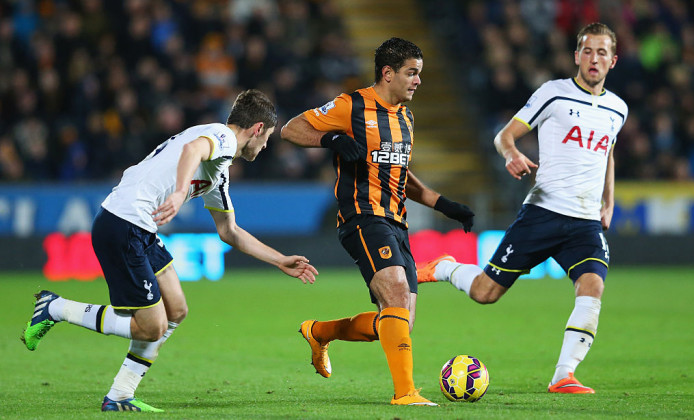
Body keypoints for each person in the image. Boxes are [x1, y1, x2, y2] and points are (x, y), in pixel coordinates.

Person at [22, 89, 319, 412]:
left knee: (176, 309)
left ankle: (120, 395)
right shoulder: (221, 136)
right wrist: (179, 194)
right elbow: (192, 150)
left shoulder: (219, 169)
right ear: (257, 129)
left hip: (140, 227)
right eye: (268, 138)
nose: (264, 148)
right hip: (123, 223)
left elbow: (228, 231)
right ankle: (56, 308)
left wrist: (279, 260)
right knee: (152, 327)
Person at [417, 23, 628, 394]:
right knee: (486, 292)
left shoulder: (617, 109)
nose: (594, 59)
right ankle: (444, 267)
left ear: (613, 60)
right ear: (577, 55)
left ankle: (564, 374)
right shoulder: (554, 94)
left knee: (592, 285)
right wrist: (513, 154)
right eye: (588, 51)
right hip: (543, 213)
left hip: (584, 222)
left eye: (602, 52)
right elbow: (505, 135)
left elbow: (608, 154)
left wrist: (608, 204)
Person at [280, 37, 475, 406]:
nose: (418, 81)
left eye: (419, 74)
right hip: (362, 217)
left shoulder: (406, 116)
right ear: (388, 73)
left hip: (397, 221)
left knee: (398, 321)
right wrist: (332, 138)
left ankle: (319, 332)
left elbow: (400, 171)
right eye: (411, 73)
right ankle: (406, 394)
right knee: (398, 296)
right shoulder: (350, 105)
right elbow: (291, 129)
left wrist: (442, 203)